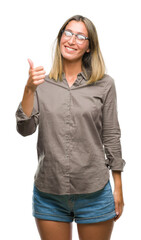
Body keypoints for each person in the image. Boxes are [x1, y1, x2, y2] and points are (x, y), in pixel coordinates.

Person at [15, 15, 126, 240]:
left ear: (89, 46)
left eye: (80, 36)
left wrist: (118, 186)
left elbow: (111, 135)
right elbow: (25, 129)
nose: (72, 40)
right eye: (68, 33)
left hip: (94, 192)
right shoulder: (41, 84)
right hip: (49, 193)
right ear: (60, 39)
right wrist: (29, 90)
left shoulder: (105, 84)